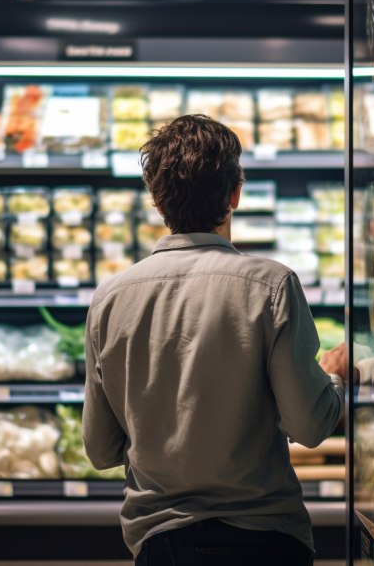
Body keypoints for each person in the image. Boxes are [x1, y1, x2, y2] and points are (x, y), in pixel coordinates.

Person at [83, 114, 348, 566]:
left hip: (161, 543)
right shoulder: (272, 285)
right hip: (266, 539)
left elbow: (100, 449)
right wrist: (336, 380)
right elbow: (308, 426)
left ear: (156, 198)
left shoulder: (110, 299)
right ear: (235, 194)